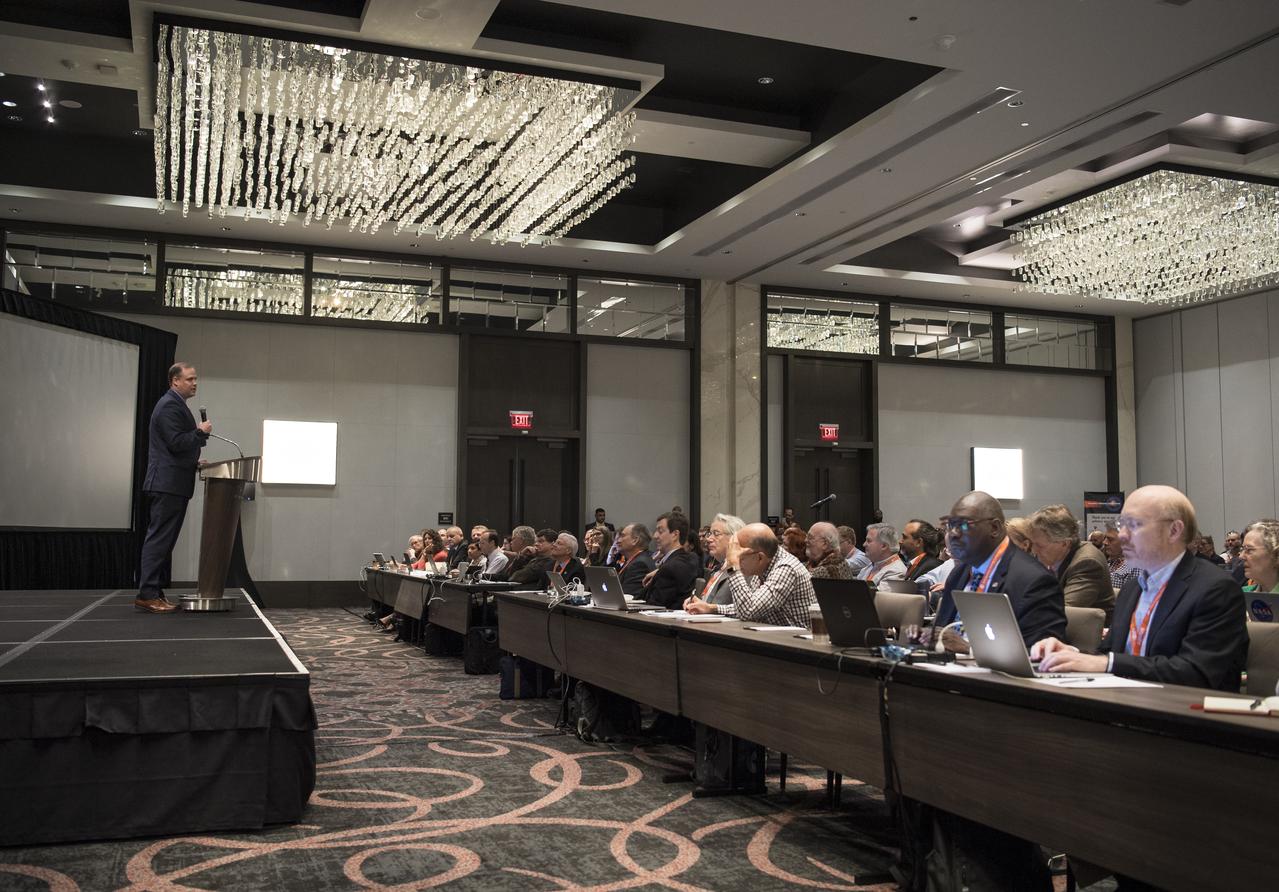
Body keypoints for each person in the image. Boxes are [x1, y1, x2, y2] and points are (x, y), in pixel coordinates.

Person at [1034, 485, 1248, 691]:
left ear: (1174, 530)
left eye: (1134, 525)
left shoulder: (1216, 589)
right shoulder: (1133, 589)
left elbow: (1195, 672)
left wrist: (1107, 663)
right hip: (1127, 705)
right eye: (1121, 525)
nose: (1122, 535)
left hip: (1185, 716)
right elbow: (1110, 653)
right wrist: (1070, 653)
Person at [921, 491, 1067, 652]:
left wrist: (970, 649)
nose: (953, 534)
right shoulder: (959, 574)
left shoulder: (1034, 580)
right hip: (943, 669)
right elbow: (943, 634)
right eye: (950, 526)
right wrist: (925, 637)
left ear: (995, 528)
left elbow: (1039, 655)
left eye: (963, 526)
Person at [136, 362, 211, 613]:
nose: (194, 383)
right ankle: (147, 594)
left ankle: (154, 592)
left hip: (174, 482)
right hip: (166, 484)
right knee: (159, 540)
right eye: (189, 379)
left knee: (164, 541)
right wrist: (200, 433)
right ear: (175, 381)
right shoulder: (169, 405)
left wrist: (194, 461)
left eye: (195, 378)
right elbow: (176, 442)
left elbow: (175, 448)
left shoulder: (176, 404)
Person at [684, 523, 816, 627]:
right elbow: (748, 606)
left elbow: (748, 611)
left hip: (799, 650)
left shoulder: (786, 568)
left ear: (759, 557)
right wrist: (710, 608)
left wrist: (732, 566)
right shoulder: (763, 565)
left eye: (740, 558)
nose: (739, 564)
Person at [1027, 504, 1115, 621]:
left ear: (1065, 543)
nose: (1034, 551)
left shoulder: (1087, 563)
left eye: (1039, 546)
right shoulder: (1052, 558)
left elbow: (1064, 611)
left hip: (1088, 635)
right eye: (1032, 544)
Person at [642, 512, 700, 608]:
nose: (655, 536)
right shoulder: (688, 559)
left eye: (660, 531)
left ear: (675, 535)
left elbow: (654, 606)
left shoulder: (670, 568)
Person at [699, 514, 746, 602]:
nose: (709, 539)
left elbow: (744, 606)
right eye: (710, 533)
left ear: (734, 538)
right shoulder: (718, 567)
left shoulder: (744, 568)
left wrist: (711, 608)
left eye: (716, 534)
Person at [613, 522, 656, 596]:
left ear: (635, 540)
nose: (618, 540)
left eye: (622, 536)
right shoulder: (635, 560)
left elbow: (629, 598)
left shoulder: (639, 565)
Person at [1242, 519, 1279, 594]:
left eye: (1249, 550)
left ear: (1276, 554)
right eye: (1242, 549)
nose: (1241, 556)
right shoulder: (1241, 594)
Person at [1102, 524, 1138, 590]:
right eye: (1105, 538)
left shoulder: (1136, 567)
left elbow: (1130, 598)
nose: (1104, 542)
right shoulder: (1112, 562)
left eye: (1110, 539)